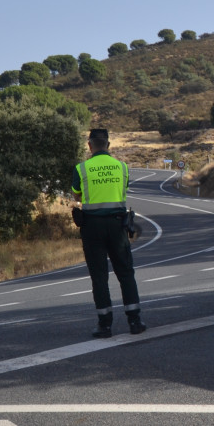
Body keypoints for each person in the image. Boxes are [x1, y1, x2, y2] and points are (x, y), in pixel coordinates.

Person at [71, 128, 145, 337]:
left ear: (90, 145)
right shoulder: (122, 167)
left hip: (92, 227)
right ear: (109, 145)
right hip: (117, 225)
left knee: (99, 276)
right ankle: (135, 321)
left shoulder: (82, 169)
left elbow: (76, 195)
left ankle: (105, 325)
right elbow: (124, 189)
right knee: (126, 273)